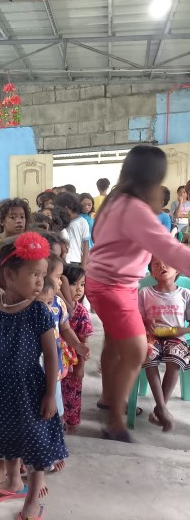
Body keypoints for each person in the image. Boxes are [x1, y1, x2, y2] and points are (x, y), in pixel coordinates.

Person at [86, 145, 190, 442]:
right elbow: (168, 248)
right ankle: (115, 421)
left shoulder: (116, 201)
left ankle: (109, 398)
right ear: (154, 175)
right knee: (136, 350)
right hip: (114, 287)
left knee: (114, 346)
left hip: (106, 282)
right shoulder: (134, 208)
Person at [0, 232, 68, 520]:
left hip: (30, 388)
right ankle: (14, 482)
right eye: (34, 275)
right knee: (5, 434)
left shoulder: (38, 311)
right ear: (9, 275)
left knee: (36, 443)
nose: (41, 282)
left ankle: (31, 502)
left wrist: (50, 394)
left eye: (43, 275)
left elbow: (51, 354)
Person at [139, 257, 190, 432]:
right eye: (155, 264)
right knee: (148, 356)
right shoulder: (145, 293)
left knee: (175, 359)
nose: (161, 265)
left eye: (167, 262)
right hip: (150, 336)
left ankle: (160, 408)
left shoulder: (185, 294)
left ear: (177, 270)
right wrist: (145, 320)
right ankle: (161, 409)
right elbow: (135, 318)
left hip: (176, 336)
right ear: (151, 273)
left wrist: (182, 330)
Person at [61, 265, 93, 430]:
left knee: (71, 397)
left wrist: (80, 367)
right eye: (74, 284)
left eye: (82, 284)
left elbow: (83, 342)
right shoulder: (56, 306)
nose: (79, 289)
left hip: (72, 366)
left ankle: (70, 423)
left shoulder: (81, 312)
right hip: (58, 363)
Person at [55, 193, 90, 267]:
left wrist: (83, 266)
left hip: (75, 261)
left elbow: (85, 246)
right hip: (62, 260)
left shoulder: (82, 222)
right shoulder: (60, 221)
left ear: (66, 207)